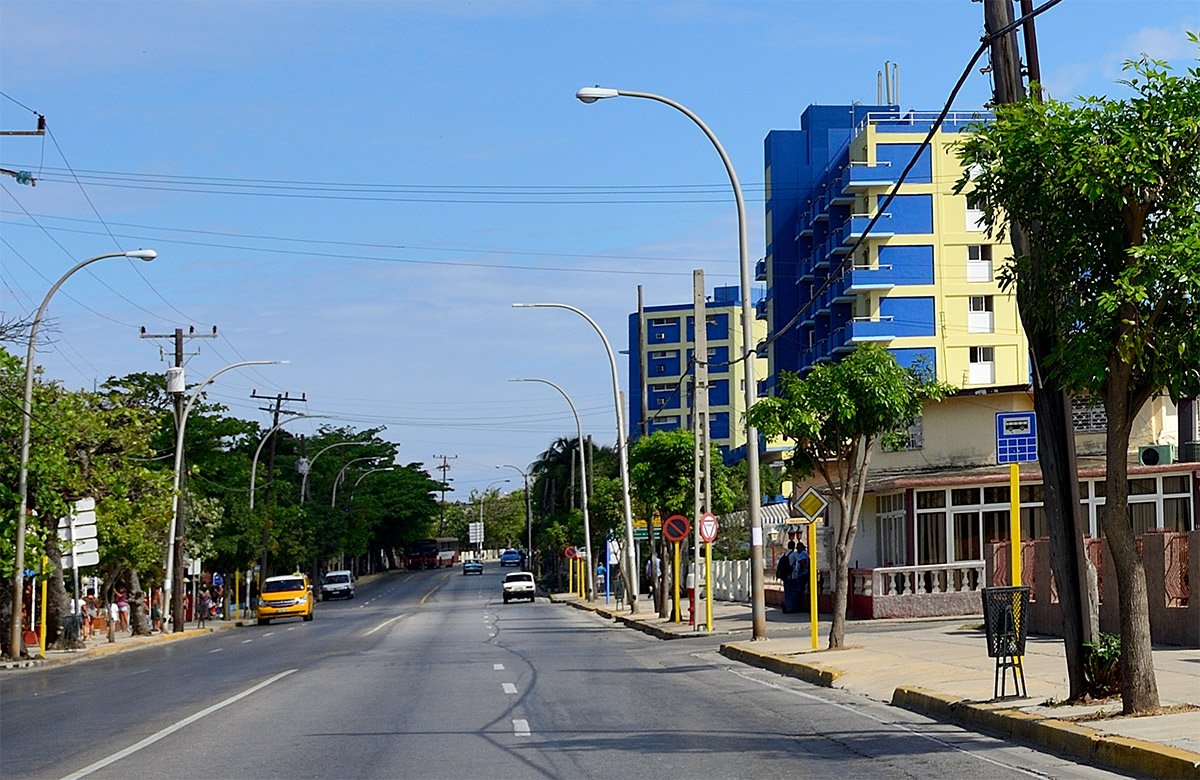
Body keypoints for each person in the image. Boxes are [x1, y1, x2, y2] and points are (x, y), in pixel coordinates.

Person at [791, 541, 811, 610]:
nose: (797, 549)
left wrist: (799, 561)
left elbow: (803, 562)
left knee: (799, 590)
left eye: (799, 548)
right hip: (803, 573)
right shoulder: (804, 554)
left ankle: (798, 606)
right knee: (800, 590)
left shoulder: (802, 554)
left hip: (802, 574)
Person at [780, 541, 799, 613]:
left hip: (785, 576)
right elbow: (800, 561)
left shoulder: (785, 554)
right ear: (794, 546)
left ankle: (786, 605)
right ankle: (790, 607)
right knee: (793, 592)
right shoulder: (794, 554)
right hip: (792, 575)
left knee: (787, 592)